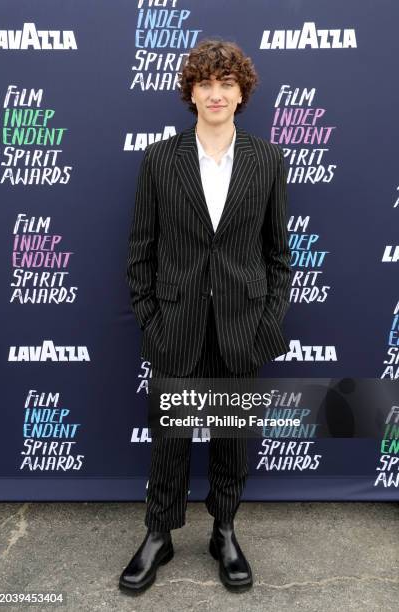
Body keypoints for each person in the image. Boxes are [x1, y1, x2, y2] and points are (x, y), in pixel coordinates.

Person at [120, 38, 291, 595]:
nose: (216, 94)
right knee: (169, 437)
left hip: (242, 327)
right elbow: (140, 250)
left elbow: (277, 255)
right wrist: (151, 318)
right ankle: (158, 533)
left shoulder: (267, 160)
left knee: (232, 437)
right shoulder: (161, 160)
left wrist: (267, 326)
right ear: (191, 92)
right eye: (206, 84)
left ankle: (224, 530)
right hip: (176, 325)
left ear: (241, 94)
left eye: (227, 84)